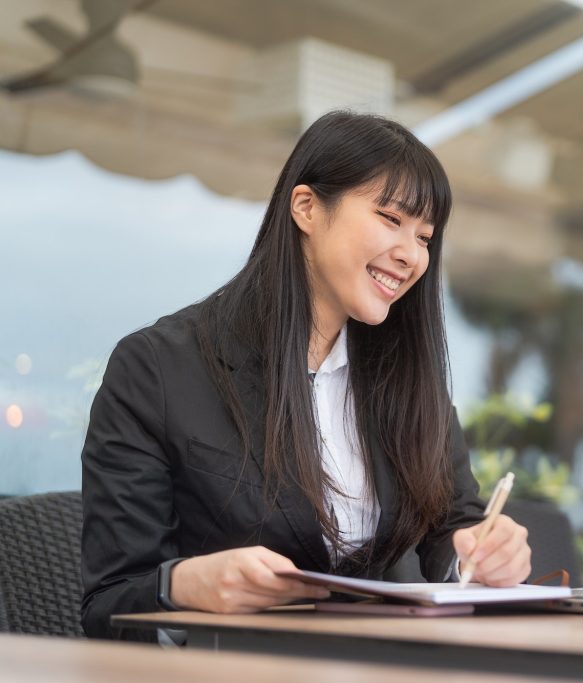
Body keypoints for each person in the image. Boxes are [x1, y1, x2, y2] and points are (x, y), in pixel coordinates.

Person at [80, 111, 532, 641]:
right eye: (390, 218)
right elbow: (107, 601)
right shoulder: (157, 369)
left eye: (425, 236)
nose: (411, 254)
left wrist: (479, 553)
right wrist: (184, 583)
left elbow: (451, 524)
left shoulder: (405, 376)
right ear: (307, 207)